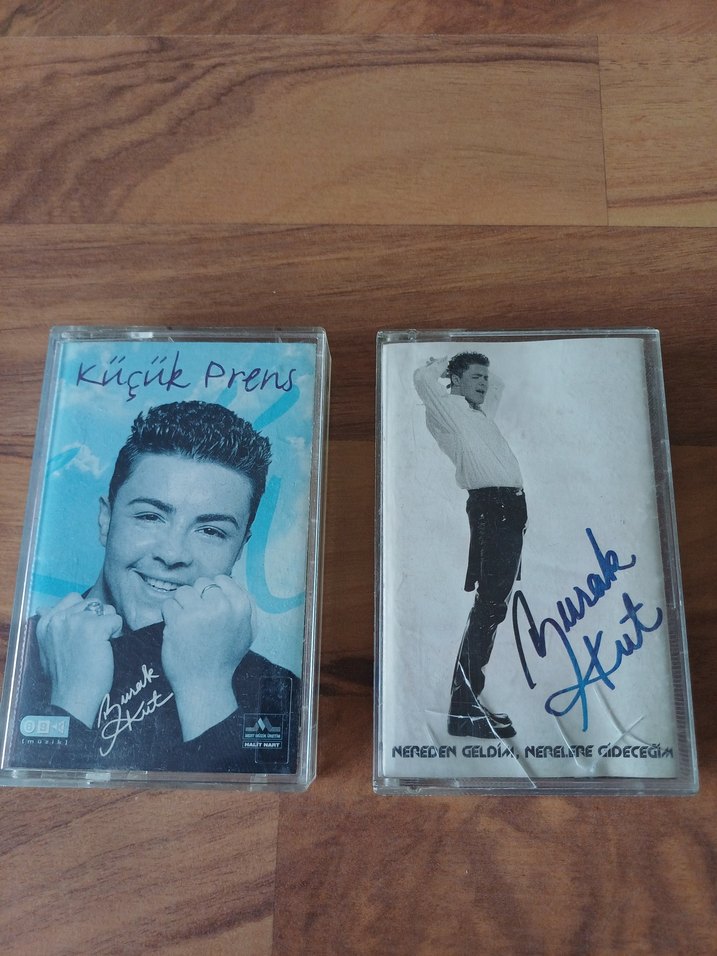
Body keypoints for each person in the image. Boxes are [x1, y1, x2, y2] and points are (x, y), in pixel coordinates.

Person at [12, 401, 300, 774]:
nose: (172, 554)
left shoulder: (278, 690)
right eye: (150, 516)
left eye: (211, 531)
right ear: (106, 519)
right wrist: (70, 701)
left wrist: (207, 688)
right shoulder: (16, 658)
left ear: (240, 548)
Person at [413, 353, 527, 739]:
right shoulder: (450, 412)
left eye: (484, 378)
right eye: (476, 377)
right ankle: (463, 709)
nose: (484, 384)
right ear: (456, 380)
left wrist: (473, 372)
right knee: (489, 608)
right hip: (493, 510)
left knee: (493, 608)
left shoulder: (478, 413)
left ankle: (467, 705)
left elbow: (499, 386)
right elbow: (422, 380)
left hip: (510, 511)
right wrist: (444, 365)